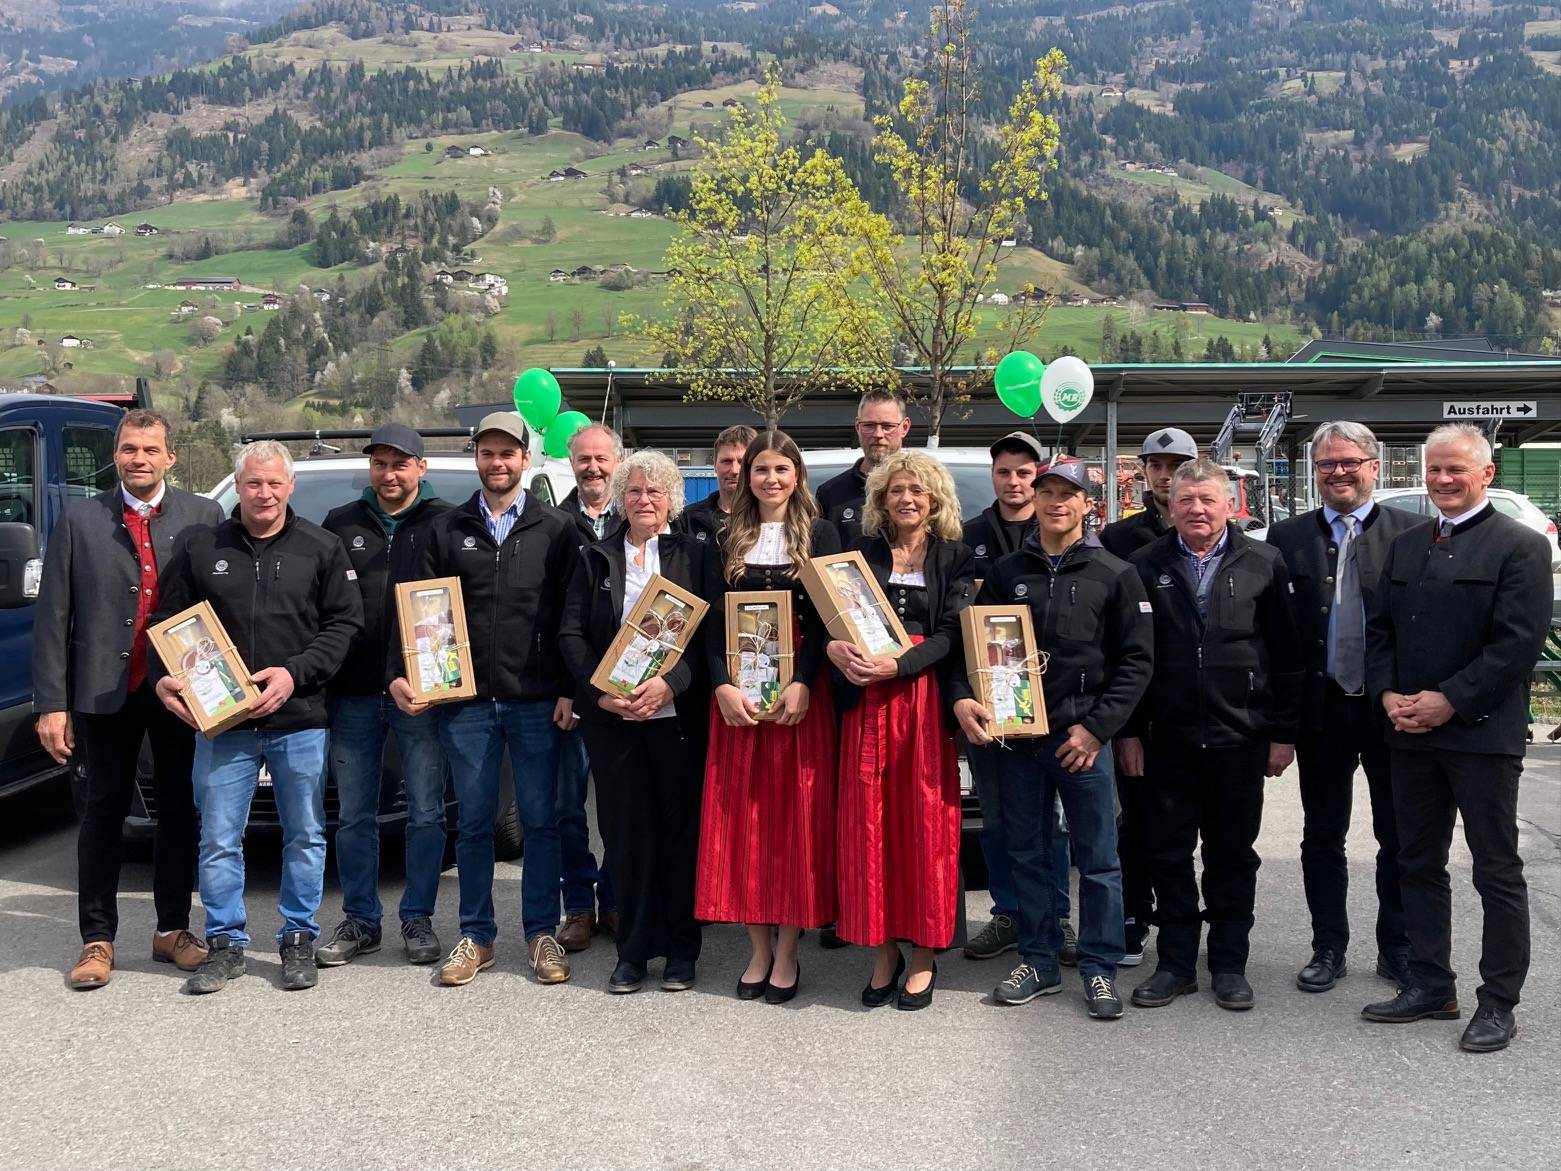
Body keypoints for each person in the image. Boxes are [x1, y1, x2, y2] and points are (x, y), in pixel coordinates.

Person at [1362, 423, 1551, 1053]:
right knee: (1417, 861)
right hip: (1409, 731)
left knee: (1495, 870)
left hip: (1480, 735)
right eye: (1434, 469)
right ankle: (1429, 983)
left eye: (1457, 470)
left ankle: (1498, 1001)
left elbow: (1517, 645)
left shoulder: (1520, 547)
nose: (1443, 480)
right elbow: (1381, 628)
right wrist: (1388, 693)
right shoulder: (1408, 544)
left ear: (1486, 474)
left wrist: (1451, 700)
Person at [151, 441, 364, 994]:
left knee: (305, 834)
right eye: (252, 484)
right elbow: (167, 622)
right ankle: (225, 944)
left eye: (273, 484)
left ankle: (298, 939)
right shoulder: (202, 548)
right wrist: (164, 678)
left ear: (289, 486)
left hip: (300, 719)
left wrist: (295, 672)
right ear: (238, 486)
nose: (263, 494)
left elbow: (344, 626)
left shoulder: (322, 547)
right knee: (219, 837)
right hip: (223, 726)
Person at [954, 459, 1153, 1020]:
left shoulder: (1114, 573)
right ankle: (1039, 961)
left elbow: (1136, 663)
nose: (1055, 502)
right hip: (1018, 739)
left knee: (1097, 859)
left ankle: (1098, 967)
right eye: (1047, 492)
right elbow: (980, 646)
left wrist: (1095, 730)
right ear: (1035, 500)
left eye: (1069, 493)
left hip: (1080, 740)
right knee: (1029, 853)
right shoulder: (1006, 571)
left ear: (1088, 503)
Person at [33, 409, 224, 990]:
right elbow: (54, 616)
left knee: (178, 812)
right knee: (101, 814)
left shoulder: (203, 514)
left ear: (171, 457)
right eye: (128, 449)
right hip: (99, 690)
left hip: (179, 690)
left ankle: (172, 929)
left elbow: (219, 604)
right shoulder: (81, 519)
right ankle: (98, 939)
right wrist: (51, 703)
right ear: (115, 455)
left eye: (150, 450)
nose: (138, 459)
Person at [1118, 458, 1302, 1012]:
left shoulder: (1265, 563)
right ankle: (1175, 963)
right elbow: (1125, 657)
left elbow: (1290, 657)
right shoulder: (1142, 565)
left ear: (1229, 504)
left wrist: (1283, 734)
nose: (1196, 509)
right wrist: (1127, 733)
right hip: (1165, 739)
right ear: (1168, 506)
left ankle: (1228, 962)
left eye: (1207, 500)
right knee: (1167, 854)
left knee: (1231, 855)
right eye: (1185, 500)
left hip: (1239, 738)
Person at [405, 412, 580, 987]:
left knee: (541, 822)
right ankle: (476, 936)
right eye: (488, 453)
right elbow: (420, 614)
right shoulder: (446, 529)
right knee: (475, 824)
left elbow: (567, 618)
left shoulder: (555, 529)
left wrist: (566, 688)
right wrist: (423, 679)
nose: (497, 462)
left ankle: (539, 933)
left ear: (526, 459)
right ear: (476, 457)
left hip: (535, 701)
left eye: (508, 453)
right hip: (467, 704)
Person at [1266, 422, 1417, 994]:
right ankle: (1328, 946)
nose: (1339, 472)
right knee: (1322, 835)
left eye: (1349, 462)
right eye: (1327, 464)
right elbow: (1276, 637)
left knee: (1397, 835)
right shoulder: (1286, 538)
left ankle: (1396, 947)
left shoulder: (1413, 533)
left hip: (1388, 710)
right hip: (1321, 710)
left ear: (1374, 466)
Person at [696, 431, 841, 1003]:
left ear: (797, 475)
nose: (771, 479)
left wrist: (805, 680)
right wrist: (721, 687)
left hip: (799, 700)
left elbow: (830, 619)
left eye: (782, 469)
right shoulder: (726, 535)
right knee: (745, 823)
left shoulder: (822, 533)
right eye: (761, 469)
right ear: (746, 476)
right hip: (739, 699)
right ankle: (757, 948)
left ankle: (788, 951)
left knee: (795, 824)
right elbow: (708, 622)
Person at [559, 450, 709, 993]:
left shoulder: (695, 555)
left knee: (677, 835)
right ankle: (633, 952)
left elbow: (708, 639)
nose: (645, 500)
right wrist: (600, 694)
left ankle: (681, 952)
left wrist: (672, 683)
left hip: (675, 719)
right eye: (635, 491)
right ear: (622, 497)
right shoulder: (596, 557)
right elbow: (571, 635)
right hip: (614, 721)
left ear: (672, 498)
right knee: (625, 836)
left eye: (656, 491)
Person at [830, 452, 974, 1010]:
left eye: (917, 490)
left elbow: (950, 634)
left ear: (934, 498)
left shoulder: (955, 558)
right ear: (880, 499)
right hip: (865, 701)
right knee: (869, 825)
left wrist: (900, 665)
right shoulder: (857, 556)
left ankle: (922, 953)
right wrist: (833, 649)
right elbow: (830, 620)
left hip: (920, 700)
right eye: (896, 491)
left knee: (923, 826)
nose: (907, 499)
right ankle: (883, 948)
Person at [315, 424, 451, 969]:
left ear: (421, 468)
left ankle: (417, 917)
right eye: (380, 464)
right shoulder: (340, 524)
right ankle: (361, 920)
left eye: (401, 464)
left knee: (425, 811)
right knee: (354, 815)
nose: (389, 475)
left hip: (420, 695)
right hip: (353, 694)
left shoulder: (446, 523)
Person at [959, 432, 1076, 968]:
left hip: (1048, 705)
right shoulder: (969, 536)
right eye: (1005, 472)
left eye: (1025, 473)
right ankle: (1007, 913)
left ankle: (1056, 916)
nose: (1015, 482)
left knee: (1050, 820)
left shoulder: (1061, 530)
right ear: (994, 476)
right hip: (990, 702)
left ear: (1039, 477)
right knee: (998, 815)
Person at [1099, 425, 1197, 964]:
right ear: (1145, 473)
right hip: (1140, 705)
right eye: (1156, 465)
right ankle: (1133, 917)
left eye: (1175, 464)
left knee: (1183, 826)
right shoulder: (1118, 540)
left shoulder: (1216, 530)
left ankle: (1186, 922)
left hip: (1196, 708)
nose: (1164, 474)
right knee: (1132, 824)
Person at [555, 423, 624, 954]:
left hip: (633, 693)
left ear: (617, 461)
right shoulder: (551, 524)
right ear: (571, 462)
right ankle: (579, 904)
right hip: (574, 692)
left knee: (622, 807)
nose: (593, 468)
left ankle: (619, 899)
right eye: (584, 459)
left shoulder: (642, 518)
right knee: (569, 806)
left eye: (602, 459)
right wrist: (569, 688)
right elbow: (552, 618)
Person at [815, 389, 911, 544]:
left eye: (887, 426)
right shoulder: (830, 494)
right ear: (857, 426)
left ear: (904, 427)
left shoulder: (926, 489)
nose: (878, 434)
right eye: (869, 425)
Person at [681, 424, 758, 545]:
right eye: (726, 461)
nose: (734, 470)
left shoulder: (769, 519)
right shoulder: (687, 520)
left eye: (742, 462)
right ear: (714, 466)